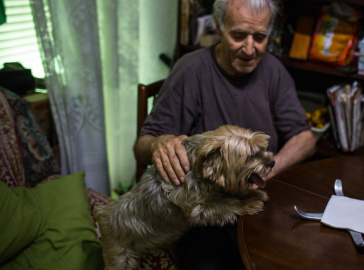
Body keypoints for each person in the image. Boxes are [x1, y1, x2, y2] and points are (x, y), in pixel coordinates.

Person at [134, 0, 316, 268]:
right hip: (205, 211)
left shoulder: (273, 70)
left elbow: (305, 139)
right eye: (239, 35)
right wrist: (158, 145)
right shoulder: (191, 70)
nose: (250, 49)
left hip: (259, 200)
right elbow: (142, 145)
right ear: (219, 27)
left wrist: (271, 169)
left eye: (260, 37)